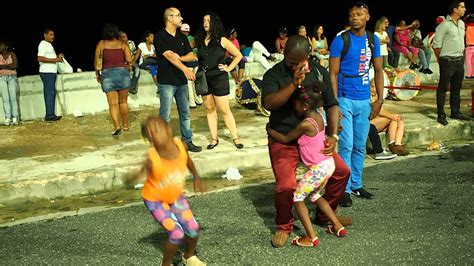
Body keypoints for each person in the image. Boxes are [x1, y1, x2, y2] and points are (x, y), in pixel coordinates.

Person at [262, 35, 351, 248]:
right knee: (286, 186)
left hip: (312, 140)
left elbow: (331, 104)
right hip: (284, 138)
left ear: (307, 57)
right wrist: (293, 83)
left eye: (297, 62)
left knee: (341, 172)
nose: (292, 65)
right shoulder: (273, 74)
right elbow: (269, 104)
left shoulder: (318, 72)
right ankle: (284, 225)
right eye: (289, 61)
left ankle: (324, 214)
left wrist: (333, 135)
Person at [125, 116, 206, 266]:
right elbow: (142, 172)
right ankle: (166, 264)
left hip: (175, 196)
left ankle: (188, 256)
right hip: (155, 200)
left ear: (169, 129)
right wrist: (131, 178)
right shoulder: (152, 158)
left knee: (193, 229)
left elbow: (187, 160)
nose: (156, 133)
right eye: (151, 132)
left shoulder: (181, 145)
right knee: (177, 233)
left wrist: (196, 176)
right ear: (149, 139)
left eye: (158, 128)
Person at [329, 2, 384, 207]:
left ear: (367, 17)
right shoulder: (340, 40)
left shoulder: (372, 40)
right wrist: (334, 105)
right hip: (344, 98)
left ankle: (356, 184)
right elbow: (332, 73)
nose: (355, 18)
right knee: (346, 145)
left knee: (360, 145)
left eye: (360, 14)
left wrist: (379, 99)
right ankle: (341, 189)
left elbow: (378, 71)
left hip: (364, 99)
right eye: (352, 14)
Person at [154, 7, 202, 152]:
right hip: (167, 82)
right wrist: (186, 69)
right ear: (170, 18)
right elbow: (169, 56)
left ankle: (187, 140)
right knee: (165, 115)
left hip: (181, 82)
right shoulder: (160, 36)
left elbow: (192, 55)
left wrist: (180, 58)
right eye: (178, 15)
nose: (181, 18)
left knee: (185, 113)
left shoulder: (182, 37)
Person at [195, 11, 244, 150]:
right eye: (204, 20)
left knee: (224, 109)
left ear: (214, 23)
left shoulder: (222, 40)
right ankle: (214, 139)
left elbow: (238, 55)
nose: (205, 23)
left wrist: (229, 68)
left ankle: (235, 137)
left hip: (219, 78)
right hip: (205, 78)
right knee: (209, 109)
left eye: (208, 21)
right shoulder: (200, 40)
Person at [433, 0, 471, 125]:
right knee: (443, 88)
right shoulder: (444, 25)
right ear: (455, 9)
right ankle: (441, 114)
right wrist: (441, 60)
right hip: (447, 60)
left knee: (457, 88)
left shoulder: (461, 23)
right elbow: (436, 45)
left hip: (459, 61)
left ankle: (456, 112)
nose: (464, 9)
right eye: (462, 7)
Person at [94, 23, 132, 136]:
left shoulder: (101, 43)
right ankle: (125, 125)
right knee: (123, 102)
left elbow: (97, 61)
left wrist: (97, 74)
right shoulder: (123, 44)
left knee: (113, 104)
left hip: (107, 74)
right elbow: (129, 60)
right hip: (123, 73)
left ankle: (116, 126)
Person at [369, 79, 409, 156]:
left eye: (376, 88)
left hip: (377, 122)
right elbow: (378, 110)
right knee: (392, 118)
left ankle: (397, 144)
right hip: (370, 124)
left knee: (399, 121)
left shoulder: (377, 96)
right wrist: (392, 116)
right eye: (372, 87)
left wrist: (393, 116)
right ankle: (392, 144)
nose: (374, 90)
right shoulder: (367, 97)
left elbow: (381, 111)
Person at [37, 28, 63, 122]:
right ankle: (49, 115)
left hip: (51, 72)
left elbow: (49, 58)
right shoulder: (43, 44)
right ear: (45, 35)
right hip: (47, 72)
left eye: (53, 35)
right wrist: (56, 60)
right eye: (50, 34)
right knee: (49, 93)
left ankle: (50, 114)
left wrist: (57, 57)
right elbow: (40, 58)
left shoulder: (49, 45)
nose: (52, 37)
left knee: (51, 93)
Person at [0, 40, 20, 126]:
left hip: (12, 77)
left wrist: (3, 67)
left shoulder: (12, 54)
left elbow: (15, 66)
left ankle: (15, 117)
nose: (0, 46)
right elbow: (11, 66)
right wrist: (9, 66)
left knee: (13, 97)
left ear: (6, 47)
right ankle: (8, 117)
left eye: (1, 45)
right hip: (1, 78)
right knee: (5, 98)